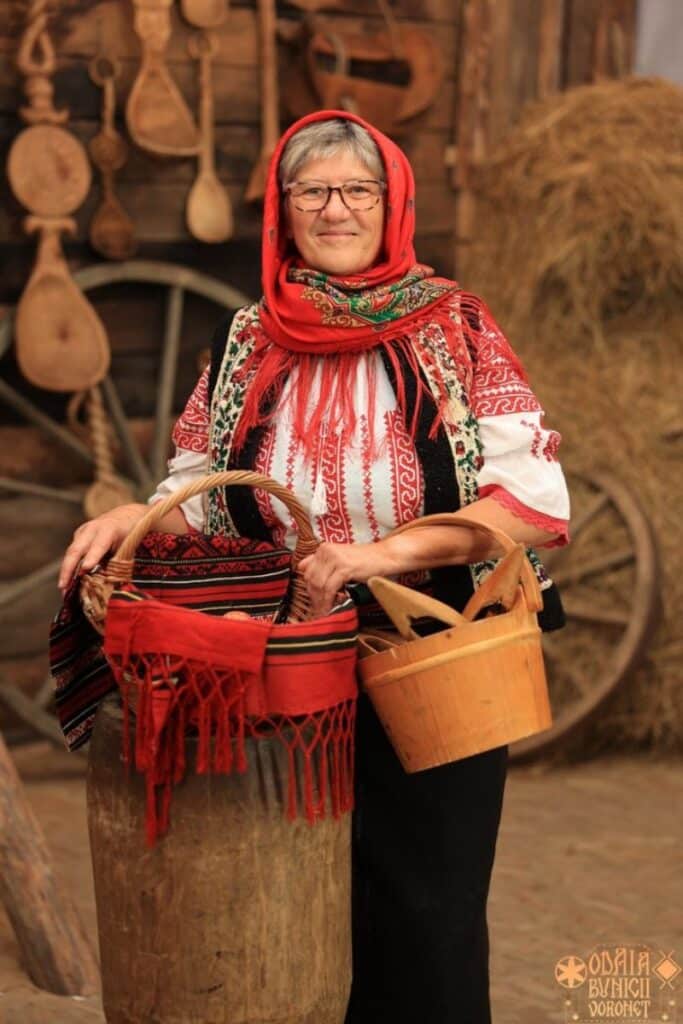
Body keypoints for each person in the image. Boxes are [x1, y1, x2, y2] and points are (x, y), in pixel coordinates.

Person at [59, 110, 570, 1023]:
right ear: (283, 211)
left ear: (393, 203)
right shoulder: (248, 338)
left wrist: (382, 555)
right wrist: (135, 512)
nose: (336, 209)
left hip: (428, 651)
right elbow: (200, 481)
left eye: (357, 190)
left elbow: (526, 500)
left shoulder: (454, 326)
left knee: (426, 905)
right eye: (312, 192)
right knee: (291, 897)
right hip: (290, 660)